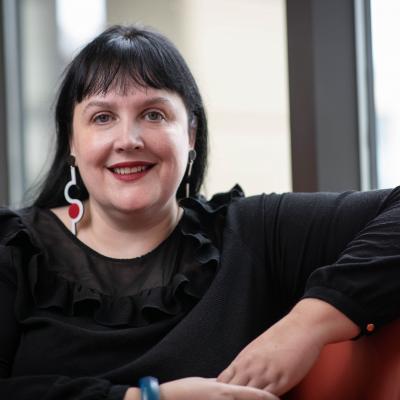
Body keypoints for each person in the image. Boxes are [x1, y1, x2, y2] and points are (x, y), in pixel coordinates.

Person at [0, 25, 399, 400]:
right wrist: (147, 397)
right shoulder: (14, 248)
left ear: (190, 134)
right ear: (72, 140)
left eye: (153, 114)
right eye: (102, 117)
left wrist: (305, 326)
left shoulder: (251, 232)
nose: (128, 140)